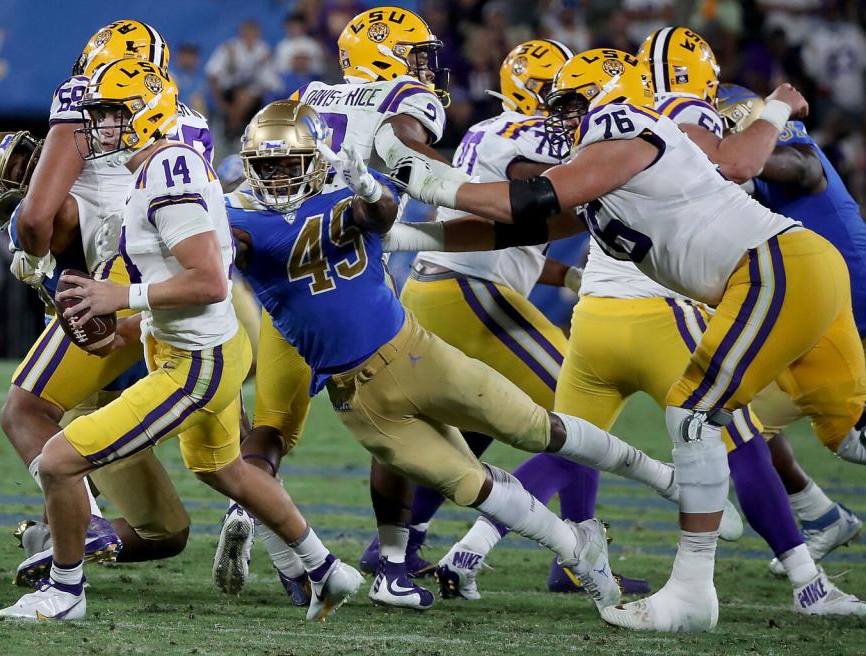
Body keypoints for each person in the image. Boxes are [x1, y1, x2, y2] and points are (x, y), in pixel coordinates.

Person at [392, 48, 866, 631]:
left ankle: (692, 595)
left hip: (779, 268)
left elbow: (529, 199)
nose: (559, 119)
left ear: (610, 92)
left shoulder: (626, 124)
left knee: (694, 412)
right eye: (555, 105)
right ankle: (742, 575)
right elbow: (520, 226)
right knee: (848, 436)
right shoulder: (609, 167)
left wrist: (419, 172)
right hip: (783, 275)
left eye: (570, 103)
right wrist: (409, 235)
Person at [229, 99, 687, 619]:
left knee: (538, 428)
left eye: (290, 164)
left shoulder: (343, 187)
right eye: (268, 168)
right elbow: (220, 252)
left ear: (315, 159)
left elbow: (379, 215)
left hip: (417, 353)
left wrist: (370, 186)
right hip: (358, 398)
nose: (279, 178)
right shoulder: (237, 217)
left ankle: (662, 476)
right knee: (473, 485)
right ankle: (579, 555)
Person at [0, 61, 360, 622]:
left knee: (58, 461)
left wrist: (119, 300)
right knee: (228, 470)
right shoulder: (160, 164)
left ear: (147, 111)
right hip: (201, 342)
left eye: (114, 115)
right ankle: (324, 569)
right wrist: (126, 325)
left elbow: (208, 280)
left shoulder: (168, 171)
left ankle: (65, 592)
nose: (100, 128)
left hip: (194, 362)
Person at [362, 38, 647, 597]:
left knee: (468, 428)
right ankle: (574, 552)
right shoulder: (531, 132)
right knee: (580, 406)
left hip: (442, 282)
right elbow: (543, 195)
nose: (578, 104)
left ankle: (401, 540)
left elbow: (503, 233)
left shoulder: (486, 129)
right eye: (564, 93)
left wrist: (562, 275)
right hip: (470, 291)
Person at [215, 6, 463, 610]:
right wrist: (468, 189)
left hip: (287, 279)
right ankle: (394, 566)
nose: (425, 68)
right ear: (390, 56)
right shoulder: (403, 97)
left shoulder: (311, 92)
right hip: (355, 277)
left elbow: (252, 162)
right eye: (417, 53)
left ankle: (251, 508)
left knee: (271, 429)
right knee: (398, 423)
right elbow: (417, 161)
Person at [0, 20, 215, 587]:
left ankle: (80, 527)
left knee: (25, 411)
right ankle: (300, 553)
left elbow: (40, 216)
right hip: (188, 291)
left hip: (118, 277)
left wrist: (35, 256)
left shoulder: (83, 99)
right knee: (203, 486)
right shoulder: (189, 118)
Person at [716, 82, 866, 574]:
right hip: (812, 322)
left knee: (849, 437)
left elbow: (800, 165)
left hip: (855, 316)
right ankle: (821, 516)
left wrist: (725, 159)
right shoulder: (743, 176)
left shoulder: (790, 156)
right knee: (736, 425)